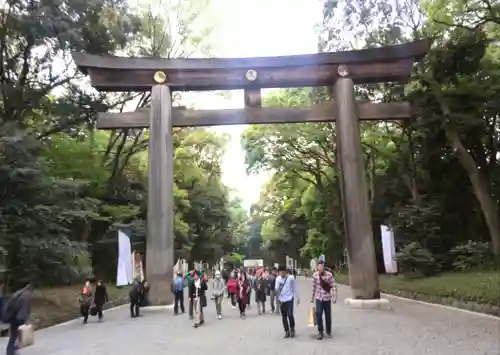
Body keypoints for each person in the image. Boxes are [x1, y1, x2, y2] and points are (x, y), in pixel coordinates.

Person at [4, 279, 31, 355]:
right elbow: (26, 308)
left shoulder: (15, 294)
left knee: (13, 336)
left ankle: (10, 351)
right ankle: (12, 350)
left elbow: (9, 305)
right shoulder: (26, 294)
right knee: (21, 337)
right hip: (20, 318)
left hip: (13, 317)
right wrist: (26, 319)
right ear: (27, 285)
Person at [311, 261, 337, 339]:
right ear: (317, 268)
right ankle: (320, 332)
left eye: (322, 267)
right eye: (319, 267)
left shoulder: (329, 275)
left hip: (327, 298)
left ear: (324, 267)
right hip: (319, 297)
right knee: (318, 314)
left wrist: (334, 297)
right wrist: (312, 298)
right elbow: (313, 287)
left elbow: (333, 286)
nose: (320, 269)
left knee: (328, 315)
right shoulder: (315, 275)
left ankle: (328, 332)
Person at [275, 265, 299, 338]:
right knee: (284, 316)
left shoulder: (290, 278)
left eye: (283, 271)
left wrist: (297, 297)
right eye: (280, 272)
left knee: (290, 314)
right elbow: (276, 289)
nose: (281, 273)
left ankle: (292, 329)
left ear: (286, 271)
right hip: (282, 300)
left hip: (289, 299)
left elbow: (294, 287)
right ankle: (286, 331)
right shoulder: (278, 279)